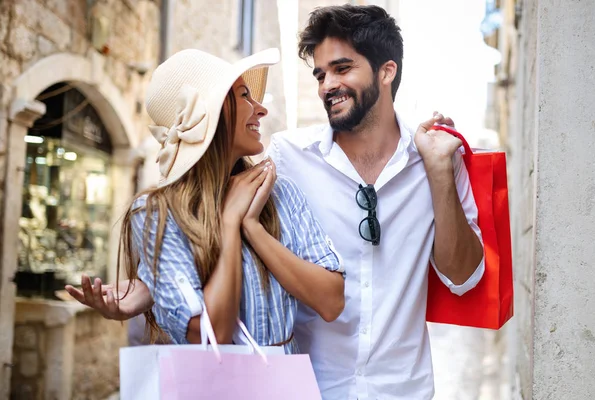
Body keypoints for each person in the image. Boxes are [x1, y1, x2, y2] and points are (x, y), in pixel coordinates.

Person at [68, 5, 485, 399]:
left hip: (403, 389)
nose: (327, 85)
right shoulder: (287, 158)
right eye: (320, 74)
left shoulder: (437, 157)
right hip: (304, 384)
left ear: (386, 72)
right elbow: (202, 214)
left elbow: (463, 276)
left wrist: (438, 172)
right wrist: (151, 290)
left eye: (342, 69)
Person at [66, 47, 345, 353]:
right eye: (243, 96)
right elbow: (214, 334)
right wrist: (229, 223)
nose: (260, 109)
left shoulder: (281, 193)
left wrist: (251, 226)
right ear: (211, 115)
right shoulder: (157, 214)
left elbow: (331, 302)